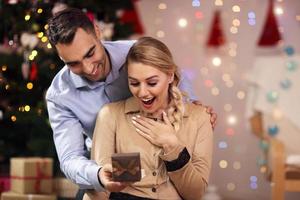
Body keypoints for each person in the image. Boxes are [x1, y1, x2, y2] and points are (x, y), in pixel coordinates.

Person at [45, 7, 216, 199]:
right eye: (72, 63)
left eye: (90, 53)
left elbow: (173, 77)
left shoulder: (137, 54)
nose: (88, 68)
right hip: (103, 171)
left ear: (98, 31)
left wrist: (193, 109)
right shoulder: (60, 95)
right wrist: (99, 175)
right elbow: (70, 159)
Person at [87, 37, 213, 200]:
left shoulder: (199, 118)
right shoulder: (111, 116)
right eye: (134, 83)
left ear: (169, 76)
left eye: (152, 83)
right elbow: (99, 191)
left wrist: (172, 146)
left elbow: (195, 195)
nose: (143, 93)